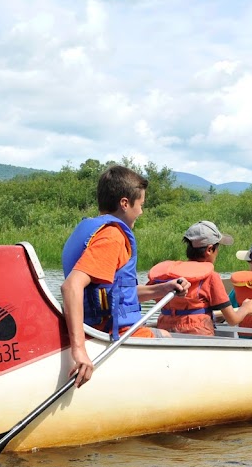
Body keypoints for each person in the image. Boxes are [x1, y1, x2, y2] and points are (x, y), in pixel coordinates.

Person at [61, 164, 188, 386]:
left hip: (101, 329)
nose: (141, 211)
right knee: (169, 337)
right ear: (125, 203)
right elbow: (71, 286)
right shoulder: (112, 237)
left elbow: (118, 294)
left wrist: (165, 288)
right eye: (141, 204)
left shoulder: (94, 229)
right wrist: (79, 351)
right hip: (109, 335)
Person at [146, 221, 252, 336]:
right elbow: (232, 320)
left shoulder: (169, 275)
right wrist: (246, 308)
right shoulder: (211, 277)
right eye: (217, 248)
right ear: (209, 249)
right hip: (198, 334)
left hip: (166, 331)